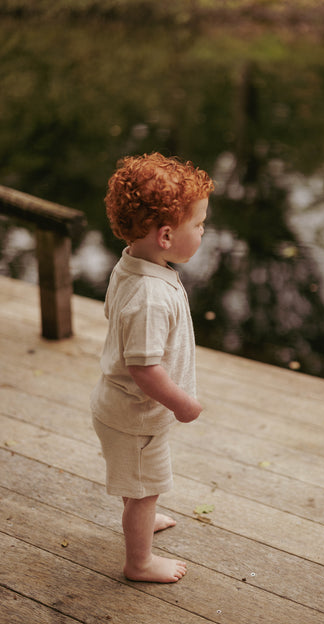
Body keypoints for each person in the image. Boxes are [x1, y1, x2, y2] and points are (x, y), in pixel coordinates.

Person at [91, 152, 214, 583]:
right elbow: (144, 369)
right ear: (165, 236)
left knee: (139, 481)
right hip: (137, 416)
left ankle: (140, 513)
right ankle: (139, 561)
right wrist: (183, 404)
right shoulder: (150, 295)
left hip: (123, 409)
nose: (203, 231)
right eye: (198, 225)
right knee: (146, 490)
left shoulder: (132, 263)